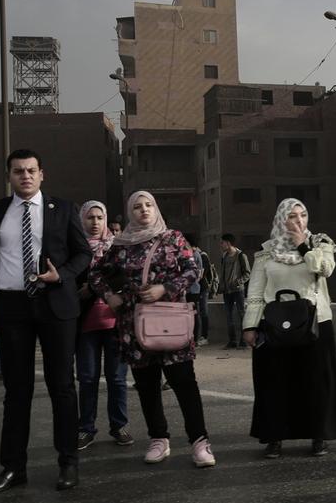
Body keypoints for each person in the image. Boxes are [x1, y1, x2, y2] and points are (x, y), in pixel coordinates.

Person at [0, 148, 92, 494]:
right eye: (18, 171)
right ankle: (13, 468)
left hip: (55, 307)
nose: (25, 176)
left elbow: (84, 254)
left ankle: (68, 463)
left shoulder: (63, 209)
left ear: (42, 174)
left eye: (31, 170)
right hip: (11, 309)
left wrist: (60, 275)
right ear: (10, 176)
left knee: (62, 386)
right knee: (16, 392)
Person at [89, 190, 215, 468]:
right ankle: (159, 439)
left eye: (148, 205)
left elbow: (193, 270)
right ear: (129, 213)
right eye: (137, 207)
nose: (143, 210)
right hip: (134, 325)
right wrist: (110, 296)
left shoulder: (173, 238)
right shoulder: (120, 245)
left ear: (156, 208)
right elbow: (96, 272)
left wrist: (164, 289)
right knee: (147, 385)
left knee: (184, 383)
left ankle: (200, 442)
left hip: (170, 319)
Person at [242, 198, 336, 459]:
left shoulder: (321, 244)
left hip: (315, 322)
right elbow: (255, 292)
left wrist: (302, 245)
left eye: (303, 215)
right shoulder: (266, 252)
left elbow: (324, 269)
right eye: (292, 217)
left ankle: (319, 435)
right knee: (275, 382)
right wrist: (250, 326)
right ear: (281, 220)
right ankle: (274, 437)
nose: (299, 221)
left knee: (316, 381)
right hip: (274, 326)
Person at [75, 201, 133, 451]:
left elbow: (129, 278)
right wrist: (82, 291)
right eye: (90, 217)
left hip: (115, 323)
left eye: (100, 217)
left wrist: (104, 288)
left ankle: (119, 426)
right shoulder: (75, 249)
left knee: (117, 379)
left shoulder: (117, 248)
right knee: (87, 379)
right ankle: (85, 429)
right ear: (82, 220)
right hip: (85, 325)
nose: (95, 222)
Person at [221, 233, 251, 349]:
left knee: (241, 314)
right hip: (226, 291)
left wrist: (239, 282)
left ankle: (243, 341)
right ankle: (232, 341)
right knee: (229, 316)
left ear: (228, 243)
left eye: (222, 242)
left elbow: (247, 273)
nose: (221, 245)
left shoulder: (241, 255)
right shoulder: (224, 256)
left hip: (238, 290)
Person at [183, 234, 207, 347]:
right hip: (187, 290)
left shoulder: (196, 254)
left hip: (193, 290)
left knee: (194, 314)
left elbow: (199, 273)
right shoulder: (187, 254)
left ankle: (195, 338)